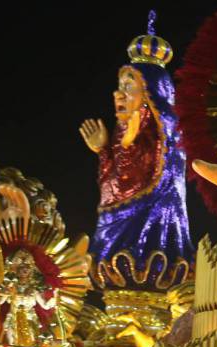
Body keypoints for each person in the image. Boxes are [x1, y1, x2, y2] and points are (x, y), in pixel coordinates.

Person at [79, 11, 193, 291]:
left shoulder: (164, 141)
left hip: (151, 252)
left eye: (129, 87)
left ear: (150, 95)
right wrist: (104, 151)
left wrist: (126, 145)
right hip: (112, 255)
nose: (119, 94)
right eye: (119, 87)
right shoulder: (121, 135)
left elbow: (139, 181)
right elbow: (113, 188)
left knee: (140, 265)